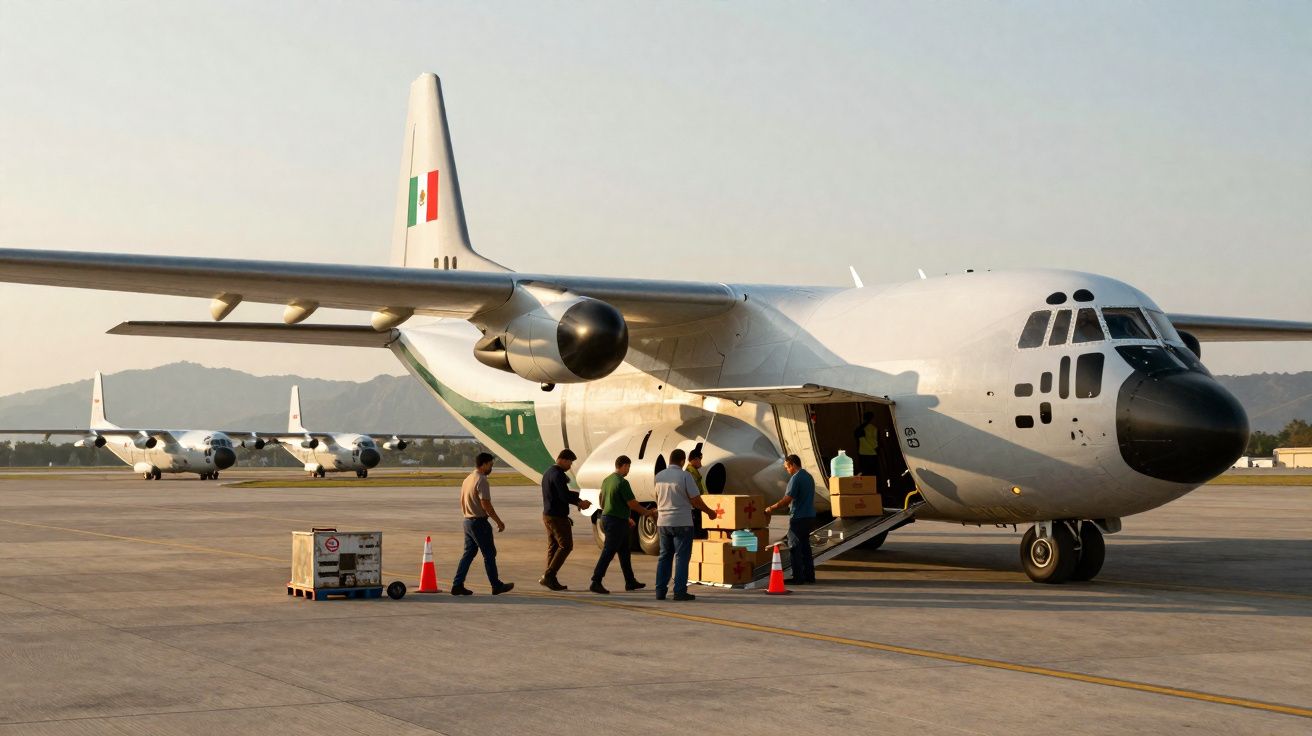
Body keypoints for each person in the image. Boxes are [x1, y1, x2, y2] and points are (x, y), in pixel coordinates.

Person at [653, 448, 719, 601]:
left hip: (663, 522)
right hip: (682, 521)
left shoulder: (659, 476)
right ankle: (679, 591)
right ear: (682, 461)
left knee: (664, 556)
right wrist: (709, 512)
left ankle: (660, 591)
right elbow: (695, 500)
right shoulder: (685, 476)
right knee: (681, 557)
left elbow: (657, 498)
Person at [590, 455, 657, 594]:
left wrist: (625, 517)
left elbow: (602, 502)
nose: (628, 470)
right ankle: (596, 581)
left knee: (624, 551)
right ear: (624, 465)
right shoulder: (622, 482)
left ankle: (630, 581)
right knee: (609, 551)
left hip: (610, 518)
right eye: (628, 467)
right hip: (616, 521)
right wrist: (647, 512)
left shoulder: (607, 480)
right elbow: (632, 503)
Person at [450, 452, 514, 596]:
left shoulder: (468, 479)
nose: (491, 468)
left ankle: (457, 584)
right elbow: (486, 504)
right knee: (489, 554)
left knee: (469, 554)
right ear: (484, 464)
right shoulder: (482, 479)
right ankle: (496, 585)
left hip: (467, 521)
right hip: (479, 522)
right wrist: (498, 521)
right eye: (490, 465)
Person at [540, 448, 591, 591]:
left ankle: (549, 578)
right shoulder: (558, 474)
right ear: (562, 459)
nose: (570, 466)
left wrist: (578, 498)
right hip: (557, 517)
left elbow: (562, 493)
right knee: (566, 546)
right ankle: (549, 575)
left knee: (554, 547)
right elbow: (563, 495)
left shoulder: (548, 473)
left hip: (548, 515)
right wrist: (580, 502)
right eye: (569, 462)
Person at [764, 454, 817, 585]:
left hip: (798, 517)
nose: (787, 470)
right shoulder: (809, 477)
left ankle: (798, 577)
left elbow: (787, 499)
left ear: (792, 465)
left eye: (787, 467)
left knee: (794, 548)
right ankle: (810, 576)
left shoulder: (796, 478)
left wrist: (771, 508)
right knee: (805, 548)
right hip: (809, 516)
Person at [855, 411, 880, 478]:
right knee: (873, 472)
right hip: (872, 453)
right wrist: (877, 448)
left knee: (864, 472)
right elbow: (874, 441)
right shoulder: (873, 428)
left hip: (862, 453)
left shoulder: (859, 428)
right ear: (872, 418)